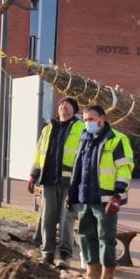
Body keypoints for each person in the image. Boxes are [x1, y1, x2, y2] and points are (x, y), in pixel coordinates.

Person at [67, 104, 134, 279]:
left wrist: (117, 194)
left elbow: (124, 169)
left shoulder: (117, 140)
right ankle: (92, 278)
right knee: (87, 238)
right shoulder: (85, 138)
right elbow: (78, 168)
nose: (88, 123)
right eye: (85, 120)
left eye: (91, 119)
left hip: (106, 199)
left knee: (106, 239)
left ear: (102, 119)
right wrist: (72, 194)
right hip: (85, 198)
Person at [28, 97, 84, 268]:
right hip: (49, 180)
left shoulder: (81, 128)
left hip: (70, 183)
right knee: (47, 218)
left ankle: (64, 256)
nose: (62, 106)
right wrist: (33, 175)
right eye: (60, 104)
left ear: (74, 109)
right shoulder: (48, 129)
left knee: (66, 218)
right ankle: (47, 253)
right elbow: (39, 154)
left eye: (67, 104)